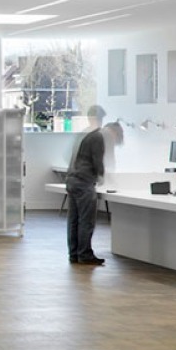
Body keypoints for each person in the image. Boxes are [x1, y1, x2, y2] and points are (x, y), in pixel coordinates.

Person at [65, 107, 123, 265]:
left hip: (72, 179)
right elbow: (98, 160)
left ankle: (74, 253)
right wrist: (102, 177)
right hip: (84, 181)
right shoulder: (97, 136)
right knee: (86, 220)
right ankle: (85, 254)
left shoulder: (83, 134)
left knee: (74, 220)